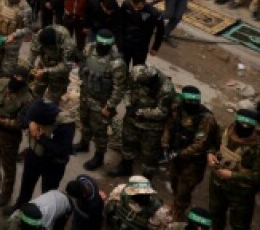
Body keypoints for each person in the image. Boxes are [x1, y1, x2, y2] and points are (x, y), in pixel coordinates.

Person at [109, 65, 175, 179]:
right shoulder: (136, 73)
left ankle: (146, 178)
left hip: (151, 126)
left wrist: (142, 113)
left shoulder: (166, 88)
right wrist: (128, 103)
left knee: (150, 153)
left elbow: (162, 112)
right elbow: (128, 89)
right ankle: (125, 166)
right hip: (132, 119)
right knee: (127, 142)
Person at [163, 85, 219, 220]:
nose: (192, 104)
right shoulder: (177, 107)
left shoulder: (206, 118)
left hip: (193, 162)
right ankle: (175, 204)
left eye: (195, 102)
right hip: (175, 154)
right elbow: (170, 125)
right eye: (189, 101)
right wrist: (165, 143)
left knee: (184, 188)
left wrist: (179, 153)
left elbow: (200, 144)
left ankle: (179, 211)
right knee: (174, 181)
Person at [76, 29, 125, 171]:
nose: (101, 46)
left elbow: (119, 88)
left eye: (105, 45)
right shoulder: (90, 48)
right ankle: (84, 143)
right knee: (84, 121)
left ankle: (99, 156)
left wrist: (109, 107)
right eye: (100, 43)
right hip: (86, 95)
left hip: (102, 103)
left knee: (100, 131)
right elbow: (83, 64)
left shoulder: (117, 63)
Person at [206, 107, 260, 230]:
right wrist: (210, 154)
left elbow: (257, 177)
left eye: (248, 125)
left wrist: (232, 175)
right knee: (215, 217)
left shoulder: (256, 147)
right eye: (242, 123)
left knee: (239, 224)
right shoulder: (225, 132)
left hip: (241, 194)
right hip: (217, 185)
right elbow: (213, 145)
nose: (244, 127)